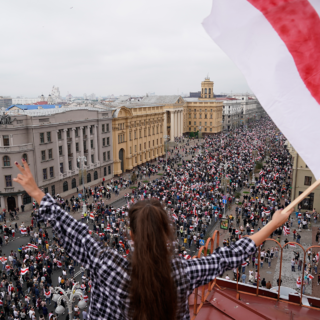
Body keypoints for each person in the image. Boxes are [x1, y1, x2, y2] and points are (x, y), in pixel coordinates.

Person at [13, 158, 293, 320]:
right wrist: (273, 223)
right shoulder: (181, 272)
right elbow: (230, 256)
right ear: (166, 232)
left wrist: (37, 193)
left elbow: (71, 229)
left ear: (130, 233)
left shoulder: (106, 263)